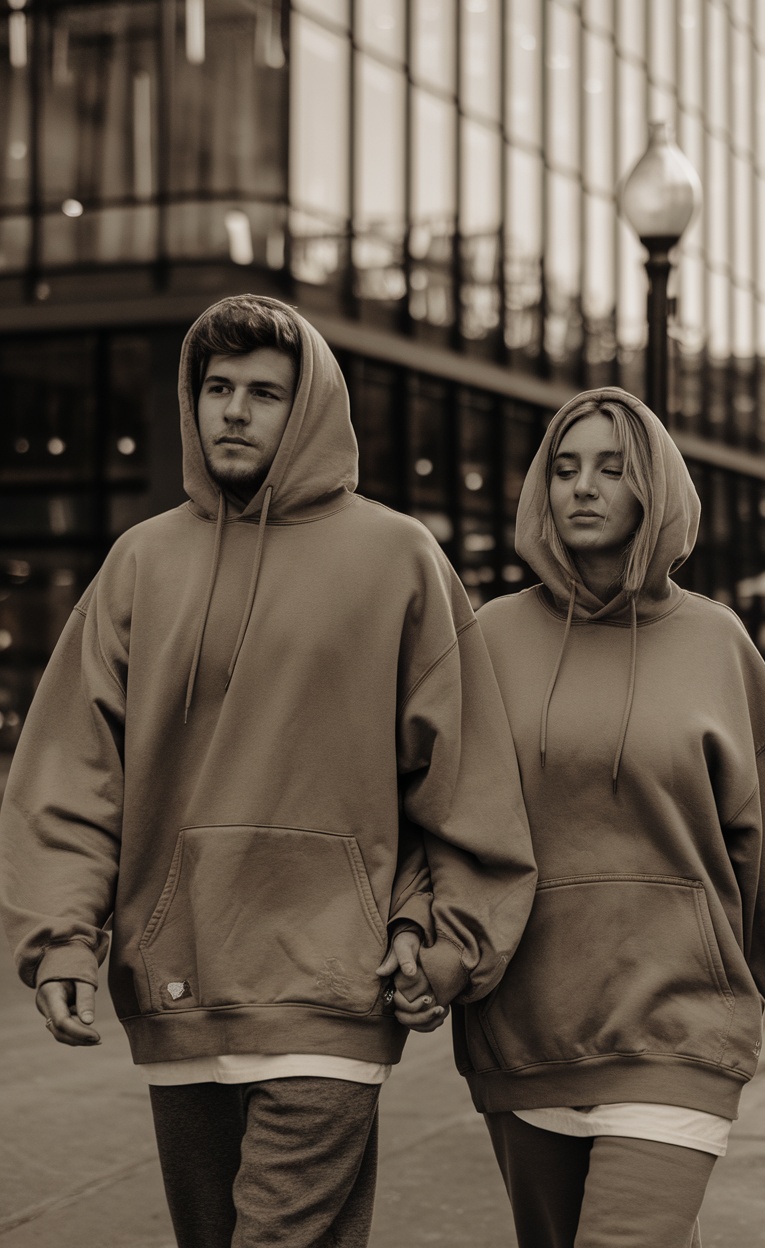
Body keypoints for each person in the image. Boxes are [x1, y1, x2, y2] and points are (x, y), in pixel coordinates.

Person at [0, 294, 536, 1248]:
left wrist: (443, 940)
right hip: (178, 990)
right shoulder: (139, 564)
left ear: (310, 410)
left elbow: (460, 785)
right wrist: (60, 942)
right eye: (216, 389)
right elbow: (75, 776)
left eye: (264, 393)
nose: (235, 412)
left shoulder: (398, 559)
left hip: (332, 988)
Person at [452, 386, 765, 1248]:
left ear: (652, 489)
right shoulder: (487, 640)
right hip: (528, 1029)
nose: (583, 487)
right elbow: (441, 820)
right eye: (565, 468)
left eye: (612, 469)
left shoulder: (715, 643)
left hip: (679, 1028)